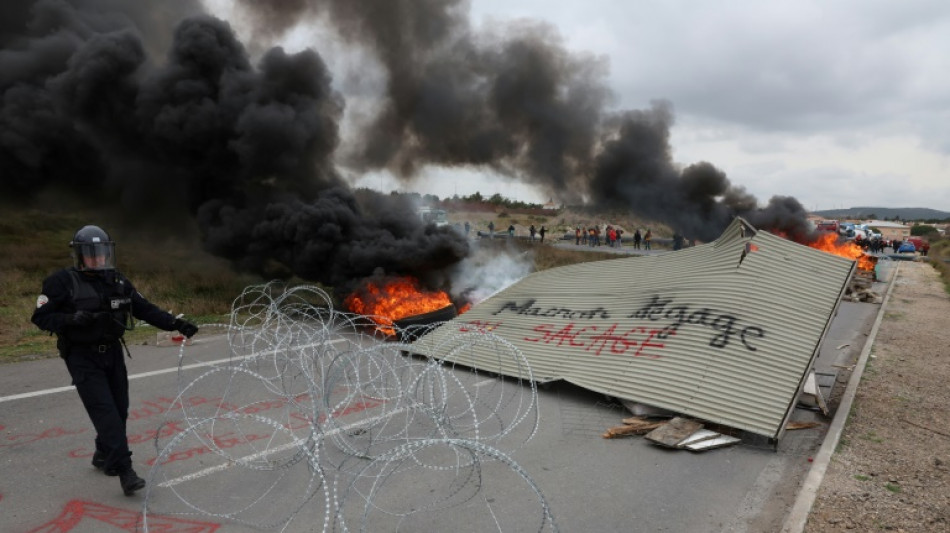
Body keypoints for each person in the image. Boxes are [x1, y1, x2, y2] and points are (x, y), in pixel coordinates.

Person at [31, 225, 199, 496]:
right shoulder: (61, 282)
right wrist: (69, 319)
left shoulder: (116, 280)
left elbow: (143, 308)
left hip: (112, 353)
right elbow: (40, 317)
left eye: (102, 253)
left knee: (119, 410)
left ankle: (102, 453)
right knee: (106, 414)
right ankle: (124, 470)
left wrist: (176, 324)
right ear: (80, 255)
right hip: (82, 357)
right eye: (92, 254)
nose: (98, 259)